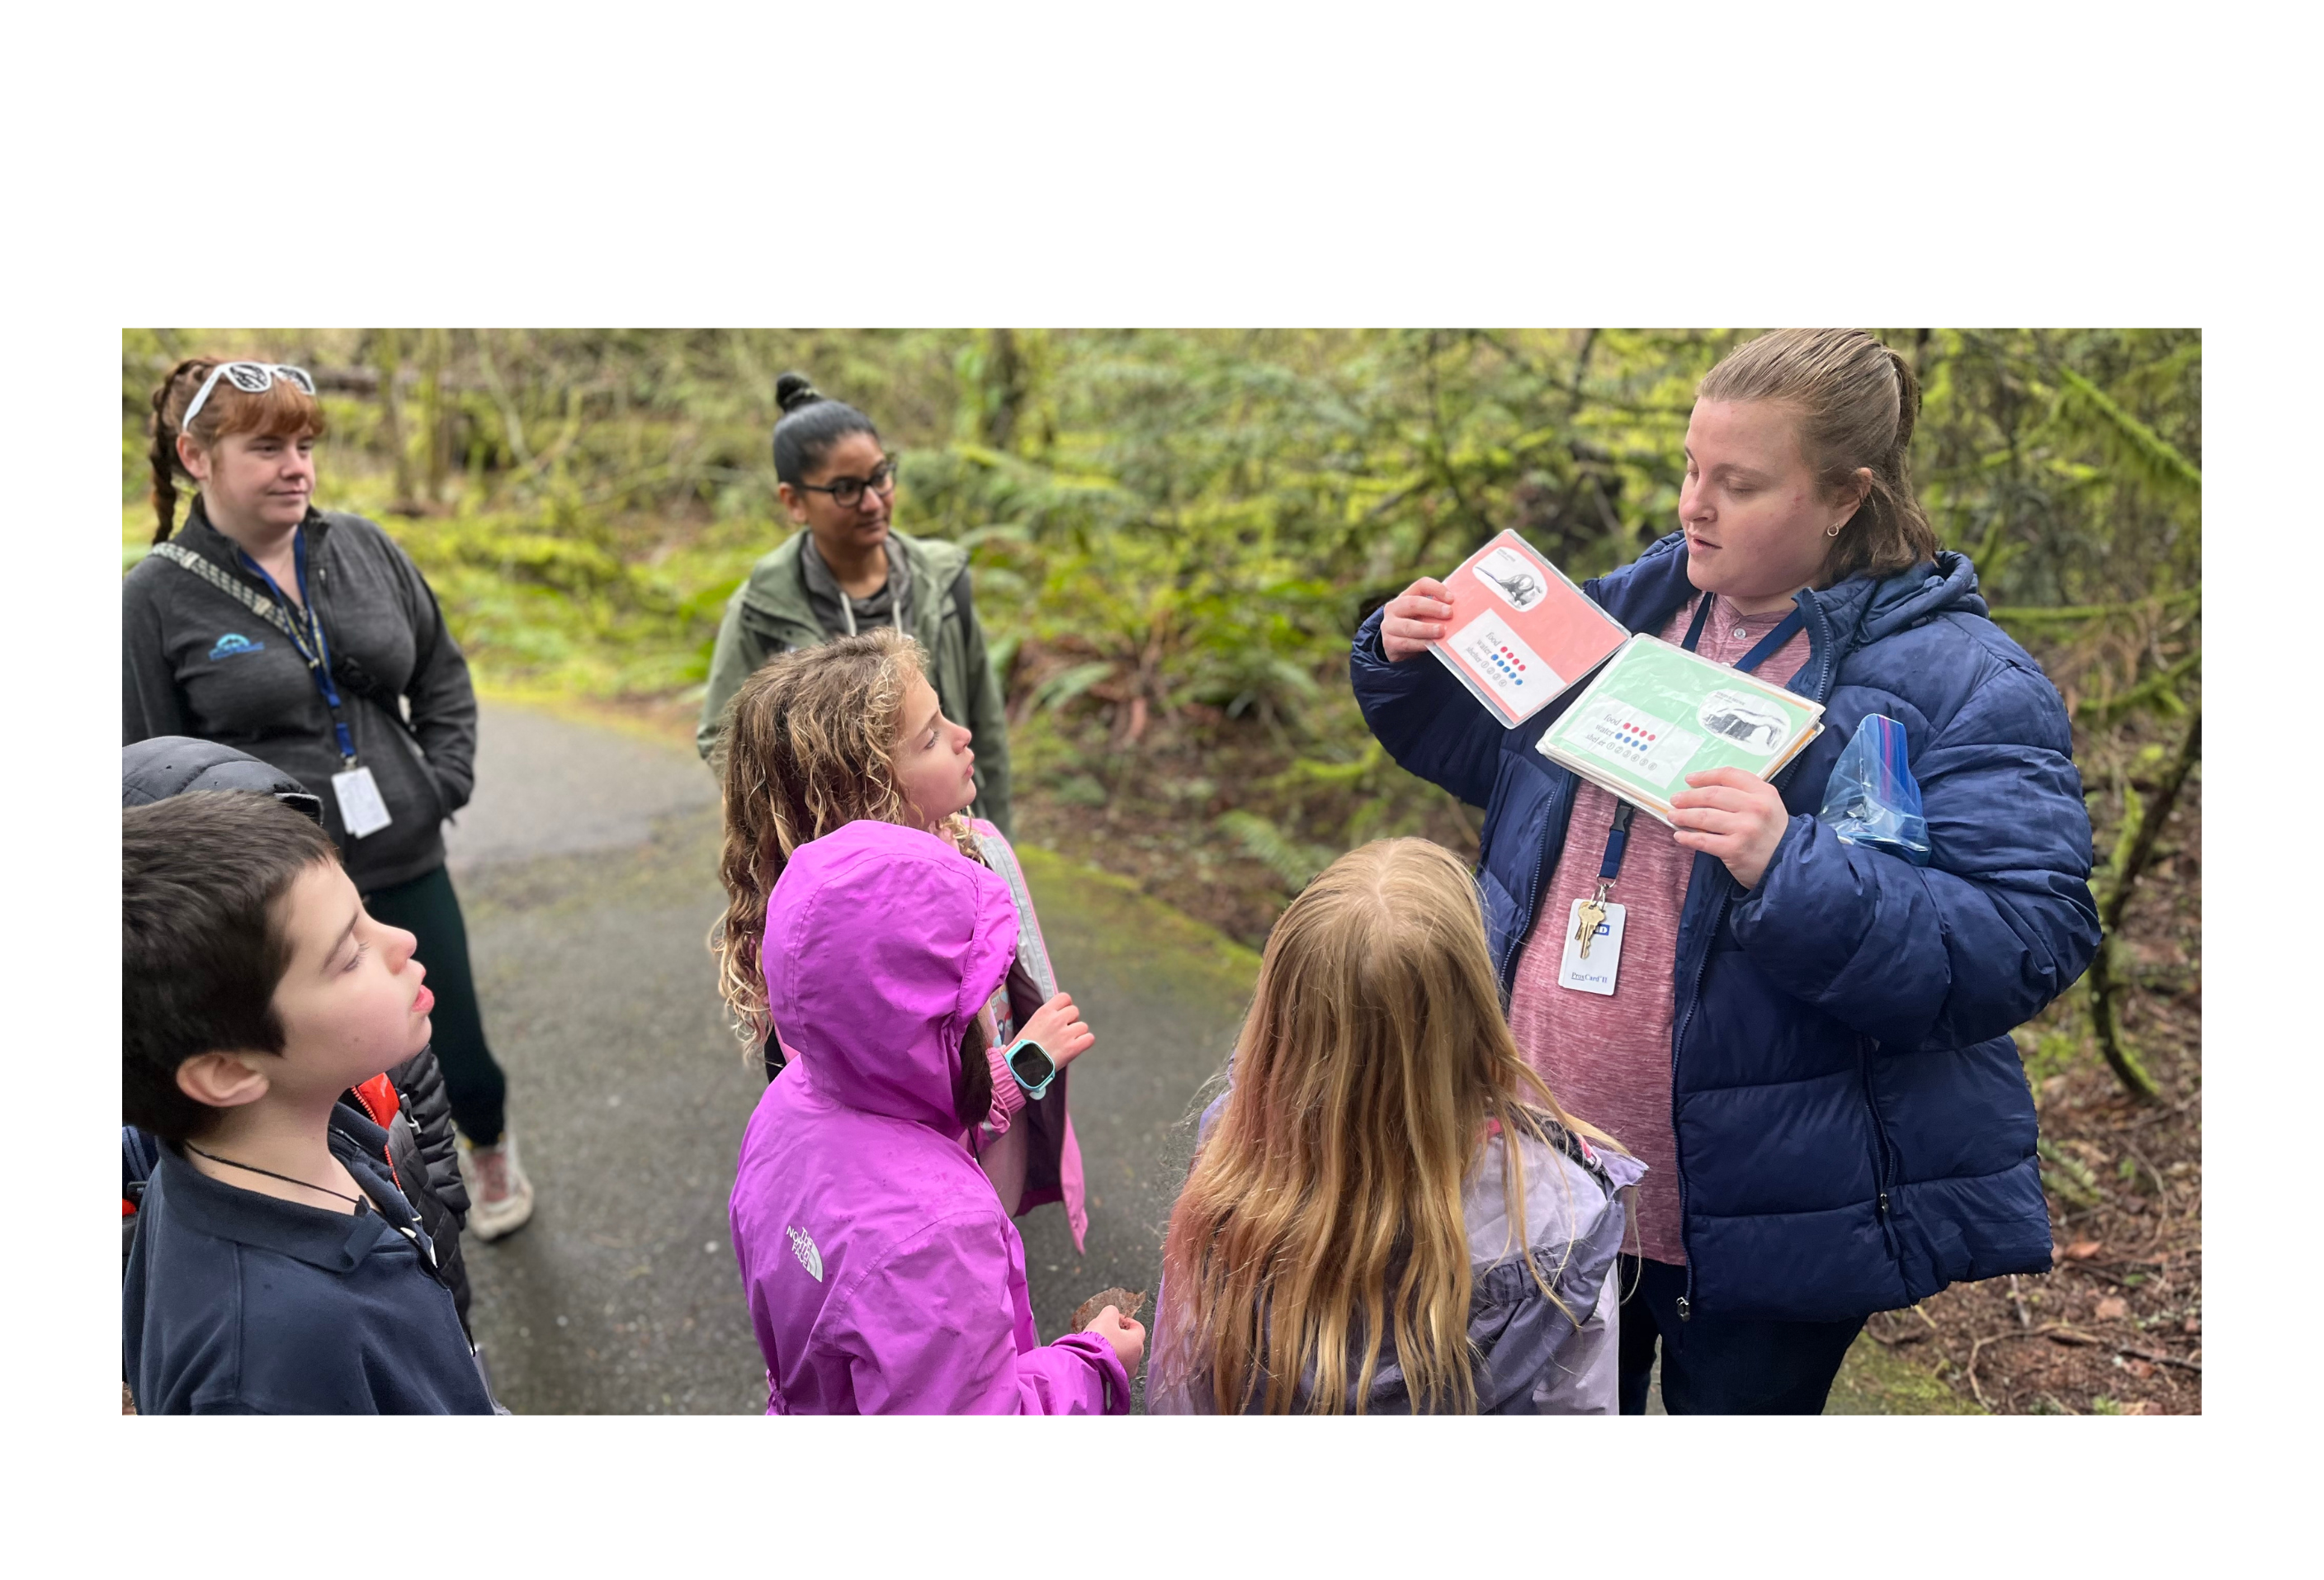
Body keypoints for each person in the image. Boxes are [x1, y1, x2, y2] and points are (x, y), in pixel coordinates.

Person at [1353, 329, 2102, 1415]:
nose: (1694, 506)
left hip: (1765, 1217)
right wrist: (1410, 660)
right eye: (1691, 468)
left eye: (1739, 484)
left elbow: (2027, 934)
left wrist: (1789, 865)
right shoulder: (1626, 612)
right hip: (1542, 1177)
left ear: (1845, 494)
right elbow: (1492, 757)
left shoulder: (1967, 685)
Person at [123, 357, 534, 1241]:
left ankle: (487, 1150)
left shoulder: (364, 547)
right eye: (267, 446)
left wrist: (440, 780)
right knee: (316, 1073)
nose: (296, 465)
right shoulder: (153, 598)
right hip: (267, 907)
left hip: (402, 852)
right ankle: (363, 1222)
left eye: (305, 444)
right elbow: (148, 777)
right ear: (197, 456)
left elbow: (441, 675)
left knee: (449, 1038)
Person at [1146, 838, 1639, 1415]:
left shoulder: (1235, 1146)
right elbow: (1579, 1408)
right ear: (1474, 1007)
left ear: (1280, 1010)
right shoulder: (1564, 1211)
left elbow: (1183, 1379)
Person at [729, 820, 1139, 1413]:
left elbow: (900, 1122)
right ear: (927, 1021)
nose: (989, 1010)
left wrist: (1016, 1071)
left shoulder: (787, 1105)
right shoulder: (936, 1237)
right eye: (977, 995)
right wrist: (1092, 1362)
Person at [711, 628, 1094, 1247]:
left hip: (998, 1150)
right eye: (933, 737)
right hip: (926, 1214)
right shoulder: (834, 945)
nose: (964, 737)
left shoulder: (978, 843)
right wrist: (1026, 1066)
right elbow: (885, 1122)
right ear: (866, 788)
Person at [122, 790, 498, 1413]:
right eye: (349, 955)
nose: (401, 940)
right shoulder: (269, 1369)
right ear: (226, 1070)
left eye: (368, 913)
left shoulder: (318, 1136)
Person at [694, 372, 1014, 841]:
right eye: (845, 488)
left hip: (953, 841)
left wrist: (998, 846)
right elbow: (722, 738)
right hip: (834, 865)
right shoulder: (763, 607)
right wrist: (794, 828)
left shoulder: (942, 585)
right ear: (795, 501)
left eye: (880, 477)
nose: (872, 502)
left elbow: (983, 726)